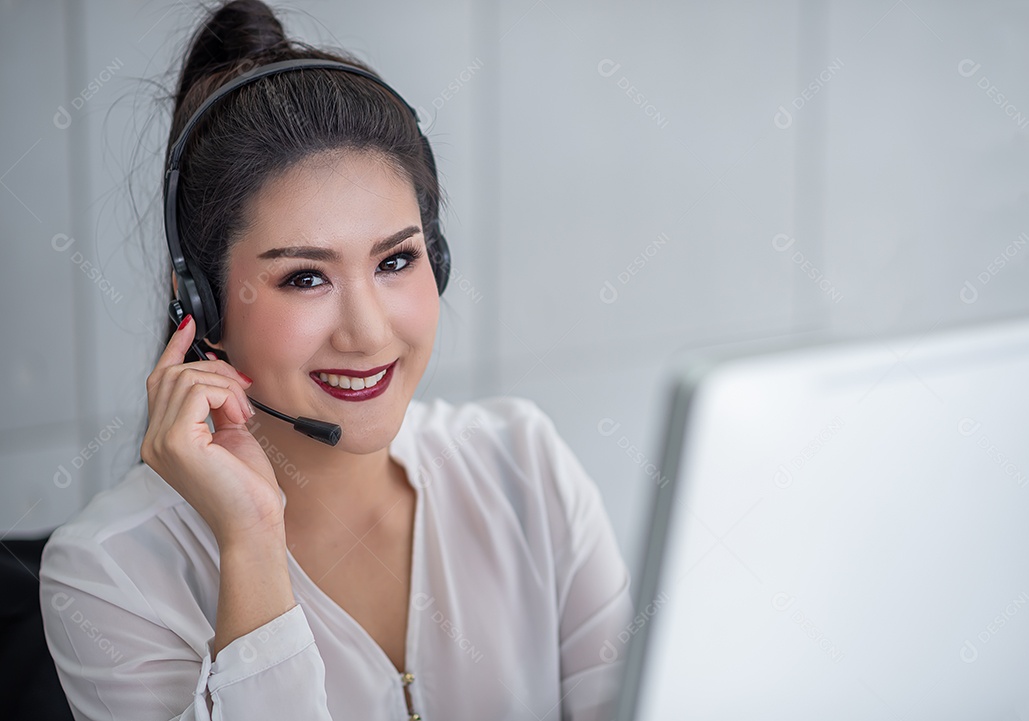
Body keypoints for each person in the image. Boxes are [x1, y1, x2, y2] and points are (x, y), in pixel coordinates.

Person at [37, 1, 633, 719]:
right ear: (203, 303)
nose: (367, 331)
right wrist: (251, 539)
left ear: (436, 260)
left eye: (396, 259)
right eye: (306, 277)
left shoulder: (521, 466)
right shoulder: (110, 575)